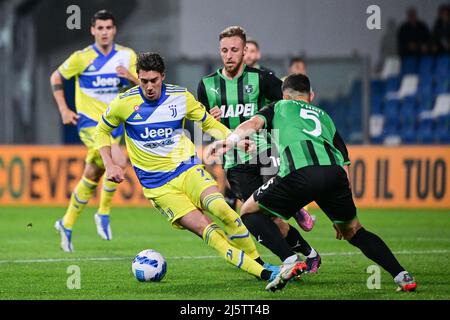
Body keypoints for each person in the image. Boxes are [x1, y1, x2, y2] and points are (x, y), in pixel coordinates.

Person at [210, 73, 417, 292]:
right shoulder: (324, 116)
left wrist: (231, 140)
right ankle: (402, 275)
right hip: (335, 176)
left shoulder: (280, 106)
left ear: (285, 95)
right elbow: (344, 160)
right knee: (354, 230)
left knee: (249, 211)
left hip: (300, 173)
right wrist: (342, 212)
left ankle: (289, 260)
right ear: (311, 95)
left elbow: (253, 123)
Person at [95, 52, 279, 285]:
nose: (149, 87)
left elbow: (208, 122)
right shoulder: (124, 103)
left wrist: (233, 138)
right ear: (138, 78)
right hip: (158, 186)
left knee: (224, 210)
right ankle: (264, 273)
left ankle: (260, 264)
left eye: (154, 80)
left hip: (187, 169)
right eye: (143, 81)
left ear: (163, 76)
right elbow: (101, 130)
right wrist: (109, 163)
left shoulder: (180, 97)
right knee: (208, 230)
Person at [197, 26, 320, 272]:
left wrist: (304, 104)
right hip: (234, 163)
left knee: (265, 207)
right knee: (264, 217)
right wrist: (209, 120)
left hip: (265, 153)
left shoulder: (261, 79)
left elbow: (289, 102)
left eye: (234, 50)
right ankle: (307, 254)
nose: (228, 55)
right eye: (224, 50)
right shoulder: (207, 85)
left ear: (244, 51)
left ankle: (292, 241)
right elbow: (202, 123)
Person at [50, 10, 139, 252]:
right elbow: (55, 77)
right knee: (119, 159)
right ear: (93, 30)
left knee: (92, 176)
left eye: (108, 28)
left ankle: (66, 223)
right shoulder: (82, 57)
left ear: (114, 30)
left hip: (115, 124)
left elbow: (147, 84)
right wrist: (64, 110)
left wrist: (129, 75)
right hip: (90, 124)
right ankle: (104, 212)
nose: (104, 32)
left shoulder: (127, 55)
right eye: (100, 28)